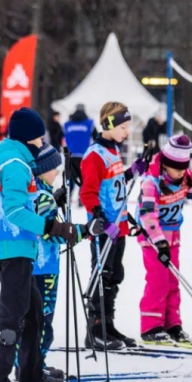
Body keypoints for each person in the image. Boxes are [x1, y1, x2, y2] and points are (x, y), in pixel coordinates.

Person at [0, 107, 95, 382]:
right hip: (14, 245)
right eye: (40, 137)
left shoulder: (5, 158)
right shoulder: (16, 163)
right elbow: (16, 211)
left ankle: (31, 372)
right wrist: (52, 226)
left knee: (32, 312)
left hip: (9, 245)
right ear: (30, 138)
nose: (42, 143)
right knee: (13, 316)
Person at [137, 134, 192, 342]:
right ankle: (151, 326)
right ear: (166, 163)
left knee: (172, 280)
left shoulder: (186, 176)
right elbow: (147, 215)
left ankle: (172, 324)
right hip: (152, 238)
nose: (179, 172)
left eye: (183, 167)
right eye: (175, 167)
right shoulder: (151, 181)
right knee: (158, 280)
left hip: (173, 236)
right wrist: (159, 241)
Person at [80, 102, 140, 350]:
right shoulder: (94, 154)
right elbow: (88, 193)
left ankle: (108, 325)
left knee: (115, 275)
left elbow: (114, 184)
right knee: (101, 276)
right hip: (104, 228)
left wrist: (132, 172)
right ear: (110, 125)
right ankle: (95, 330)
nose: (126, 131)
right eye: (123, 127)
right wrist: (100, 220)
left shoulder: (113, 149)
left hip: (119, 226)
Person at [15, 143, 66, 376]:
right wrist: (69, 232)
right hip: (44, 268)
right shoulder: (43, 196)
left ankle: (30, 363)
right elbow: (51, 233)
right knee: (43, 321)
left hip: (36, 266)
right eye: (55, 168)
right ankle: (33, 365)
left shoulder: (36, 192)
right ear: (44, 169)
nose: (57, 172)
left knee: (34, 319)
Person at [64, 104, 94, 197]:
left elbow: (58, 137)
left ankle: (68, 197)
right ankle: (82, 199)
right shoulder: (89, 123)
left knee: (71, 179)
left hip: (71, 155)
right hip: (84, 155)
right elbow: (96, 136)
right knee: (84, 179)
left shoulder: (67, 124)